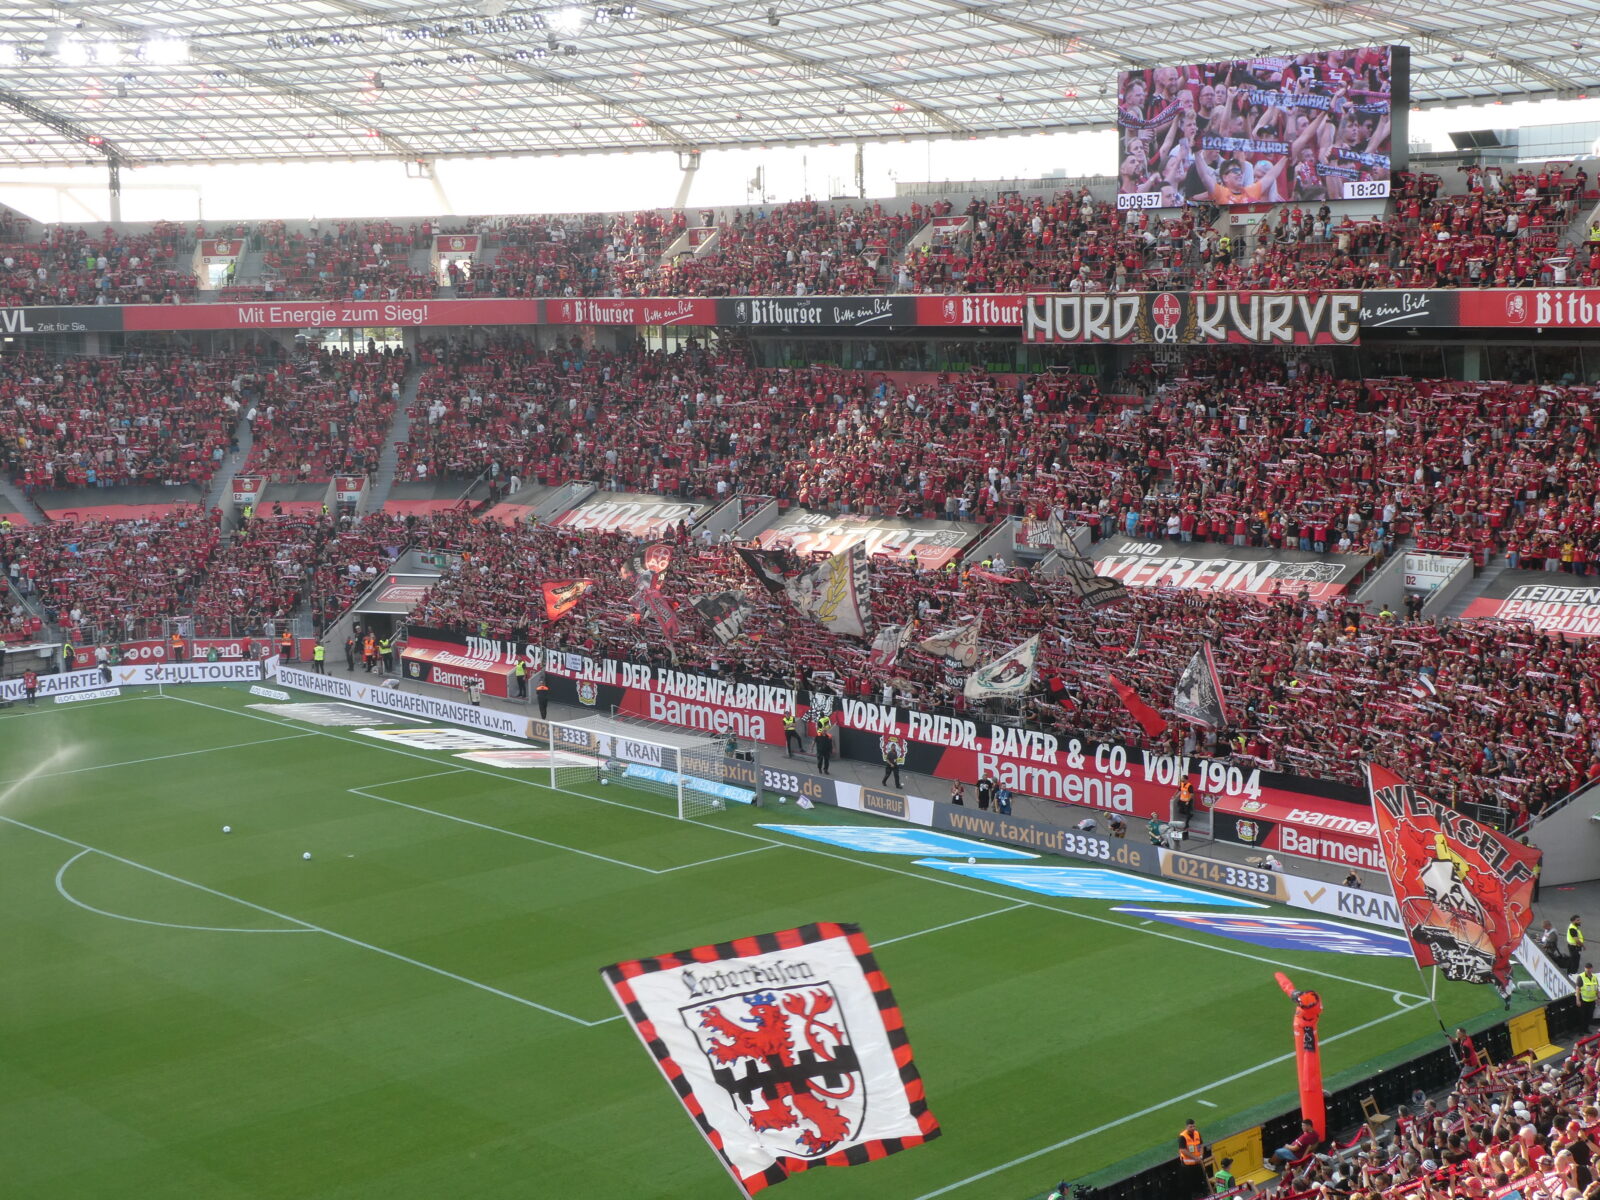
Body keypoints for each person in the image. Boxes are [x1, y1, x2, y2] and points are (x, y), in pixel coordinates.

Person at [1177, 1118, 1207, 1193]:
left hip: (1198, 1162)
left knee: (1200, 1179)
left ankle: (1203, 1194)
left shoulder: (1197, 1133)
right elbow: (1182, 1150)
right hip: (1188, 1165)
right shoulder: (1182, 1136)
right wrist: (1195, 1158)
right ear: (1186, 1127)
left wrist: (1201, 1156)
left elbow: (1201, 1145)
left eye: (1194, 1126)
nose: (1193, 1128)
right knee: (1190, 1183)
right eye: (1191, 1127)